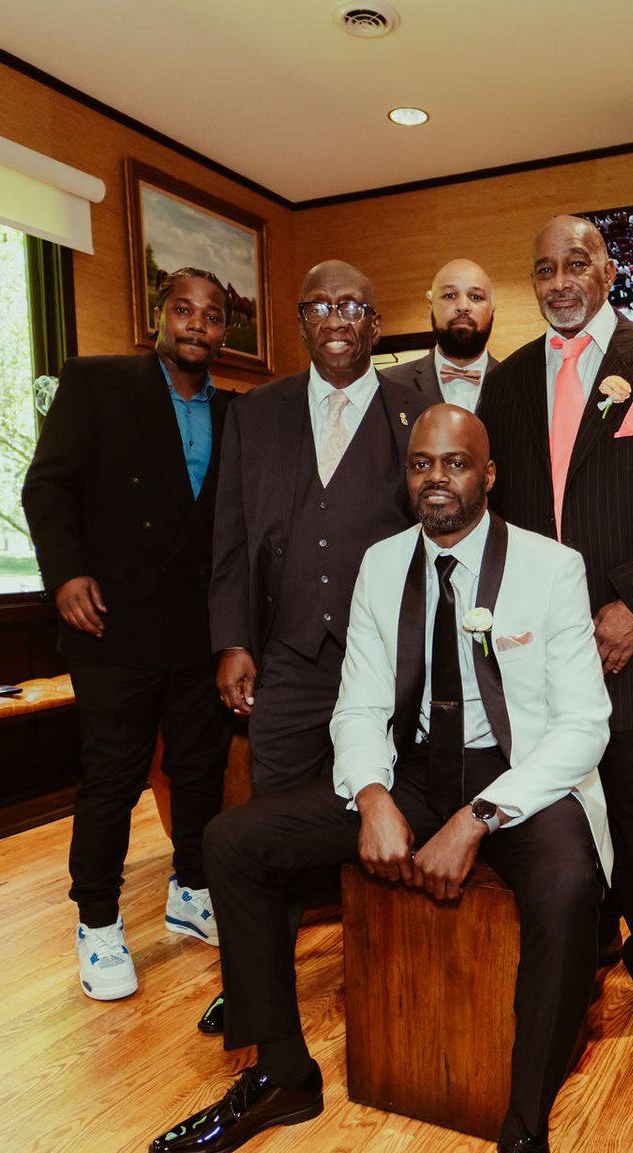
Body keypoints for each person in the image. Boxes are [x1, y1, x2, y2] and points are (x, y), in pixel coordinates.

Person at [152, 405, 610, 1153]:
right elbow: (359, 704)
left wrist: (480, 818)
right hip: (413, 771)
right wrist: (370, 794)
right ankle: (281, 1072)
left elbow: (585, 726)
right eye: (421, 464)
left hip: (519, 773)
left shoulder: (551, 567)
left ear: (488, 475)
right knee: (234, 841)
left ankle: (524, 1135)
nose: (437, 478)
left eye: (456, 463)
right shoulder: (382, 564)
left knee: (566, 887)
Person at [477, 214, 633, 1057]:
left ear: (610, 271)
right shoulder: (508, 382)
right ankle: (581, 953)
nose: (560, 281)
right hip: (538, 650)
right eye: (544, 268)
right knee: (559, 809)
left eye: (576, 263)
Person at [201, 260, 432, 1032]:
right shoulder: (256, 413)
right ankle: (255, 991)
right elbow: (231, 536)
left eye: (354, 306)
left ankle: (387, 986)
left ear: (376, 325)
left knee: (385, 814)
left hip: (388, 665)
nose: (337, 319)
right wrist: (233, 641)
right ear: (301, 321)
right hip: (289, 660)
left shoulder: (416, 409)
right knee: (267, 833)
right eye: (321, 306)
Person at [19, 268, 235, 1001]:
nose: (197, 323)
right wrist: (65, 573)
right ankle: (98, 921)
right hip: (110, 620)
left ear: (224, 332)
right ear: (158, 318)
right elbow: (46, 486)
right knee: (114, 777)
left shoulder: (235, 414)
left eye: (212, 315)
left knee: (199, 768)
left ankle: (192, 889)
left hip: (197, 624)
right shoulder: (96, 383)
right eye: (184, 309)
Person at [384, 258, 498, 412]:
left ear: (492, 311)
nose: (463, 306)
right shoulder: (388, 384)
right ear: (431, 308)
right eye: (450, 295)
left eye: (476, 297)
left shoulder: (519, 384)